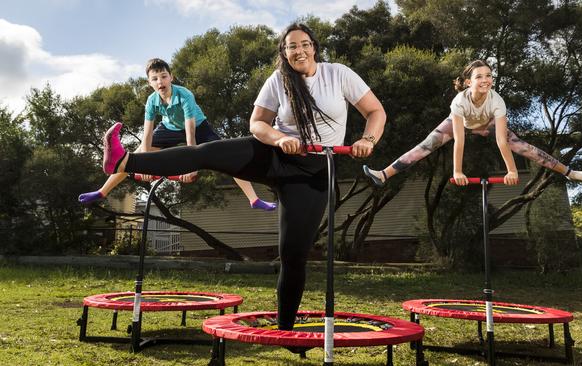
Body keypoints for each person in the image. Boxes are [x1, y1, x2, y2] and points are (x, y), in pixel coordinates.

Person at [100, 24, 385, 332]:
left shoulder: (338, 74)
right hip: (273, 155)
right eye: (291, 47)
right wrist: (277, 138)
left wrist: (368, 139)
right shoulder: (278, 80)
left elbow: (375, 112)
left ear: (314, 47)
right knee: (206, 152)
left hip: (314, 171)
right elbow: (257, 124)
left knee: (292, 254)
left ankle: (285, 331)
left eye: (304, 44)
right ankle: (125, 160)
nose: (298, 51)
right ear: (284, 52)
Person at [79, 58, 276, 211]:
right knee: (136, 154)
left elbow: (190, 131)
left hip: (198, 127)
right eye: (155, 78)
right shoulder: (151, 101)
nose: (160, 81)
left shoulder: (185, 95)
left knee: (227, 157)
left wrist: (192, 165)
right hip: (169, 128)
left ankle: (254, 199)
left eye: (164, 76)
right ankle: (102, 191)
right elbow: (147, 134)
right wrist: (145, 163)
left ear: (171, 77)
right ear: (150, 83)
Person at [363, 59, 582, 187]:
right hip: (461, 123)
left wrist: (512, 170)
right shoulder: (459, 102)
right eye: (479, 76)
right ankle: (383, 175)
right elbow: (459, 140)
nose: (486, 80)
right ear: (467, 82)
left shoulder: (497, 102)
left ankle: (570, 172)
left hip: (489, 123)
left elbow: (502, 141)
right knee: (426, 145)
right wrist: (458, 172)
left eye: (489, 75)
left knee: (524, 147)